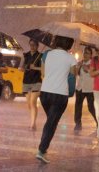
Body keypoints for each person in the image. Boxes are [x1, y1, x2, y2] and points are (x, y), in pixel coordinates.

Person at [36, 36, 76, 164]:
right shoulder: (70, 57)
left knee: (50, 122)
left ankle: (43, 149)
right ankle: (41, 151)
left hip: (45, 93)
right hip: (59, 95)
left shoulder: (47, 54)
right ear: (69, 44)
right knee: (51, 123)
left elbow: (43, 73)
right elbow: (73, 74)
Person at [74, 46, 97, 131]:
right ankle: (78, 124)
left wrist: (86, 68)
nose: (85, 54)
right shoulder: (80, 63)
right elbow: (76, 74)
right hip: (80, 88)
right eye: (84, 52)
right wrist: (77, 67)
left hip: (90, 89)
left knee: (91, 107)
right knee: (78, 107)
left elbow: (93, 73)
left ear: (91, 55)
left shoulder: (93, 63)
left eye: (87, 53)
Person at [22, 39, 42, 131]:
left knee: (33, 102)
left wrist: (35, 68)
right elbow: (22, 67)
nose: (32, 47)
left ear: (37, 46)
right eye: (31, 45)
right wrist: (22, 68)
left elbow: (43, 69)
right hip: (26, 81)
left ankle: (33, 124)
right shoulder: (25, 55)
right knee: (29, 104)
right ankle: (33, 120)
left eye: (34, 45)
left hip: (36, 81)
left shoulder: (40, 56)